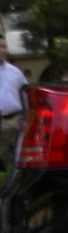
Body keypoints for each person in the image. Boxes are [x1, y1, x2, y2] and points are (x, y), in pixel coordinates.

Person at [0, 33, 28, 172]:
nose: (3, 50)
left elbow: (26, 94)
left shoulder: (14, 72)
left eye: (4, 46)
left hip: (14, 121)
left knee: (15, 158)